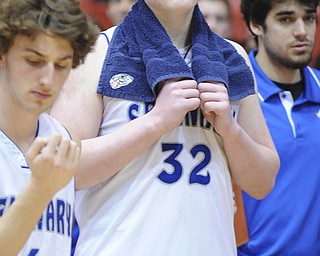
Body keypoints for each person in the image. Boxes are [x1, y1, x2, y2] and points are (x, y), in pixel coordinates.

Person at [51, 0, 280, 255]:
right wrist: (156, 121)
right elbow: (60, 170)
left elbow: (263, 183)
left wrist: (230, 130)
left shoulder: (233, 57)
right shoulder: (98, 51)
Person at [0, 0, 100, 255]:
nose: (47, 79)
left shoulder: (61, 137)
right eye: (34, 61)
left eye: (61, 65)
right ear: (2, 54)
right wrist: (40, 189)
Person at [237, 0, 320, 255]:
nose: (302, 32)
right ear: (256, 25)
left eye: (308, 18)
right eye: (286, 19)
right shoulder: (231, 96)